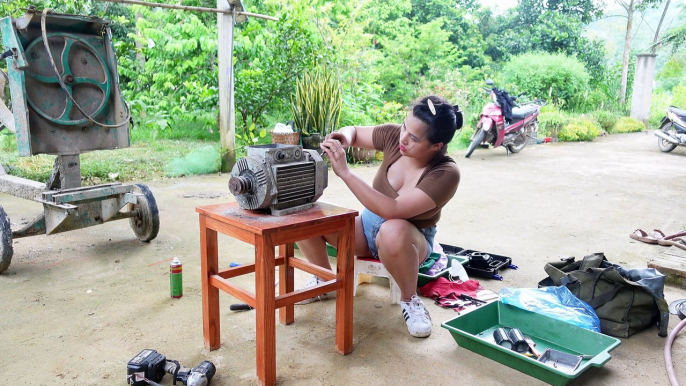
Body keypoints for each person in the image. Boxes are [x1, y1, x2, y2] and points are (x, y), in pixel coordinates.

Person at [296, 95, 463, 338]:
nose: (403, 138)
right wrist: (344, 137)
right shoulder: (395, 137)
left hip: (408, 243)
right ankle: (324, 280)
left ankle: (409, 300)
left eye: (414, 138)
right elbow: (353, 131)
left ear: (436, 145)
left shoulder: (446, 172)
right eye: (405, 126)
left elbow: (392, 210)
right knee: (306, 211)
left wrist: (346, 173)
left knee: (393, 229)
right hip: (367, 228)